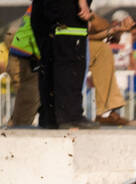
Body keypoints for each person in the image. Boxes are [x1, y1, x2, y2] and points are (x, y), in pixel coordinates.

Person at [33, 0, 96, 128]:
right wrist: (82, 2)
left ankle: (50, 116)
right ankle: (70, 116)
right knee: (71, 62)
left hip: (45, 11)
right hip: (68, 11)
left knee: (49, 61)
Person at [88, 8, 133, 125]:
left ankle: (106, 113)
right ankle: (105, 112)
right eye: (116, 21)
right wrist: (113, 30)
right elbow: (100, 28)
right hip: (101, 79)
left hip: (122, 82)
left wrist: (115, 30)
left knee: (102, 49)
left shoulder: (132, 40)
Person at [6, 7, 40, 127]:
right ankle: (15, 135)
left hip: (23, 55)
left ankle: (15, 128)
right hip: (26, 58)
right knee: (28, 103)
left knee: (24, 105)